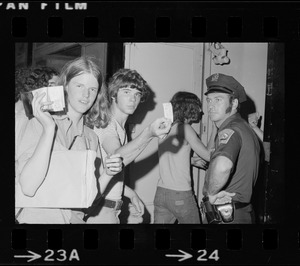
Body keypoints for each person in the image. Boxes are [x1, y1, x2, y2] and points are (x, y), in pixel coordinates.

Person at [15, 57, 123, 224]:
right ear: (64, 86)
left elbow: (89, 200)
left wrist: (108, 174)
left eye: (92, 89)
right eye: (79, 86)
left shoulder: (90, 137)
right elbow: (28, 187)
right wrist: (49, 129)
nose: (86, 95)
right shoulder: (40, 123)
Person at [85, 68, 172, 224]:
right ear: (113, 94)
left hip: (109, 209)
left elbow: (108, 172)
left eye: (137, 94)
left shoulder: (120, 127)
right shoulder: (107, 124)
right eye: (126, 92)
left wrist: (131, 193)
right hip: (100, 211)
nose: (133, 99)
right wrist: (149, 133)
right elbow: (117, 157)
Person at [202, 73, 260, 224]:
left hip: (227, 215)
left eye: (218, 99)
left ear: (234, 104)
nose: (210, 105)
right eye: (209, 100)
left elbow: (222, 166)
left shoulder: (231, 130)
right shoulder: (241, 127)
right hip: (237, 212)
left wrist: (211, 194)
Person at [153, 91, 218, 224]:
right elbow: (207, 155)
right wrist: (215, 130)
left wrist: (192, 161)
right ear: (190, 108)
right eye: (198, 107)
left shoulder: (165, 127)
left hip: (161, 193)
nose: (201, 111)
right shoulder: (186, 128)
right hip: (180, 194)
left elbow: (171, 157)